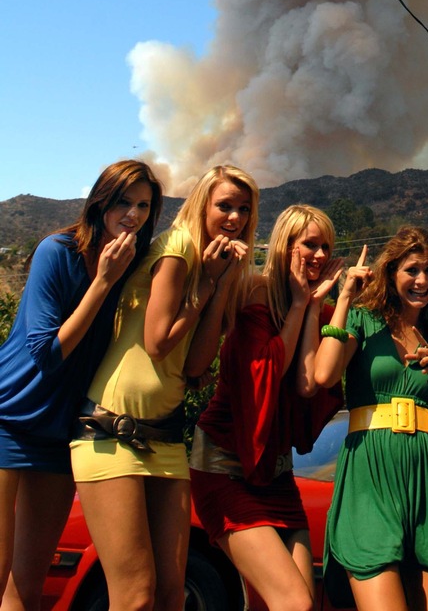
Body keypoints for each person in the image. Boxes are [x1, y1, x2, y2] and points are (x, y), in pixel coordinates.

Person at [70, 163, 258, 611]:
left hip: (166, 439)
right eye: (224, 206)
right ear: (202, 205)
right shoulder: (177, 249)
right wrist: (206, 284)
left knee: (173, 595)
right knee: (134, 597)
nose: (234, 218)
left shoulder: (213, 269)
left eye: (244, 210)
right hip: (110, 433)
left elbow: (195, 363)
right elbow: (157, 343)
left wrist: (219, 284)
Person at [0, 159, 161, 611]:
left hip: (60, 432)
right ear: (101, 201)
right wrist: (103, 282)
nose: (132, 214)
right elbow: (46, 354)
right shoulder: (58, 251)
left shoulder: (136, 266)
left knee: (27, 590)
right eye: (123, 202)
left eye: (144, 205)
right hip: (7, 417)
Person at [190, 204, 344, 611]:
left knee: (303, 601)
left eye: (326, 246)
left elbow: (313, 383)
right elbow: (266, 371)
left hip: (276, 472)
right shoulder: (256, 296)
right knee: (293, 602)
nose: (321, 255)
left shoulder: (316, 305)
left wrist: (319, 306)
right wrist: (298, 306)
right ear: (284, 246)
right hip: (224, 465)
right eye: (310, 244)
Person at [315, 226, 428, 611]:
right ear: (391, 272)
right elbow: (324, 374)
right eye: (412, 269)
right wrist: (344, 297)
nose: (422, 281)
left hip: (425, 480)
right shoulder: (363, 320)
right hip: (371, 475)